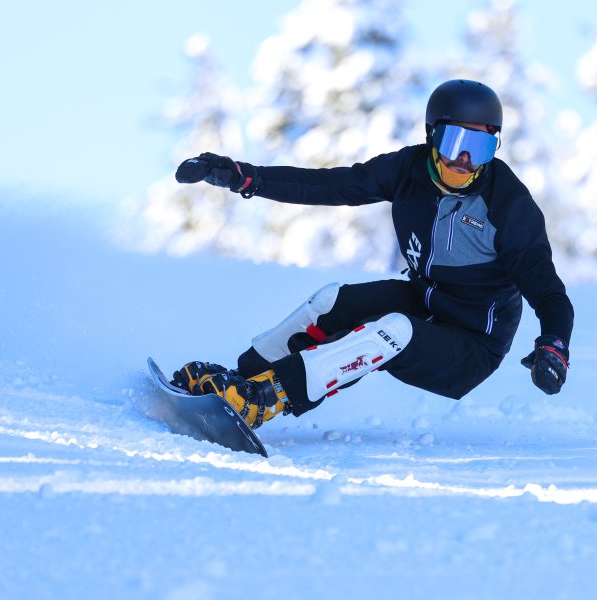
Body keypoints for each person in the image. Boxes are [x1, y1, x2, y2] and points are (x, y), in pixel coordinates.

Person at [170, 79, 574, 430]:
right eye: (456, 143)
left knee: (393, 329)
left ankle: (266, 398)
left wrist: (554, 344)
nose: (465, 160)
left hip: (471, 347)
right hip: (427, 303)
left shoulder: (508, 204)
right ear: (433, 136)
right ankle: (244, 378)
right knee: (332, 301)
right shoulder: (408, 169)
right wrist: (245, 176)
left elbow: (548, 291)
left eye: (481, 146)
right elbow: (332, 186)